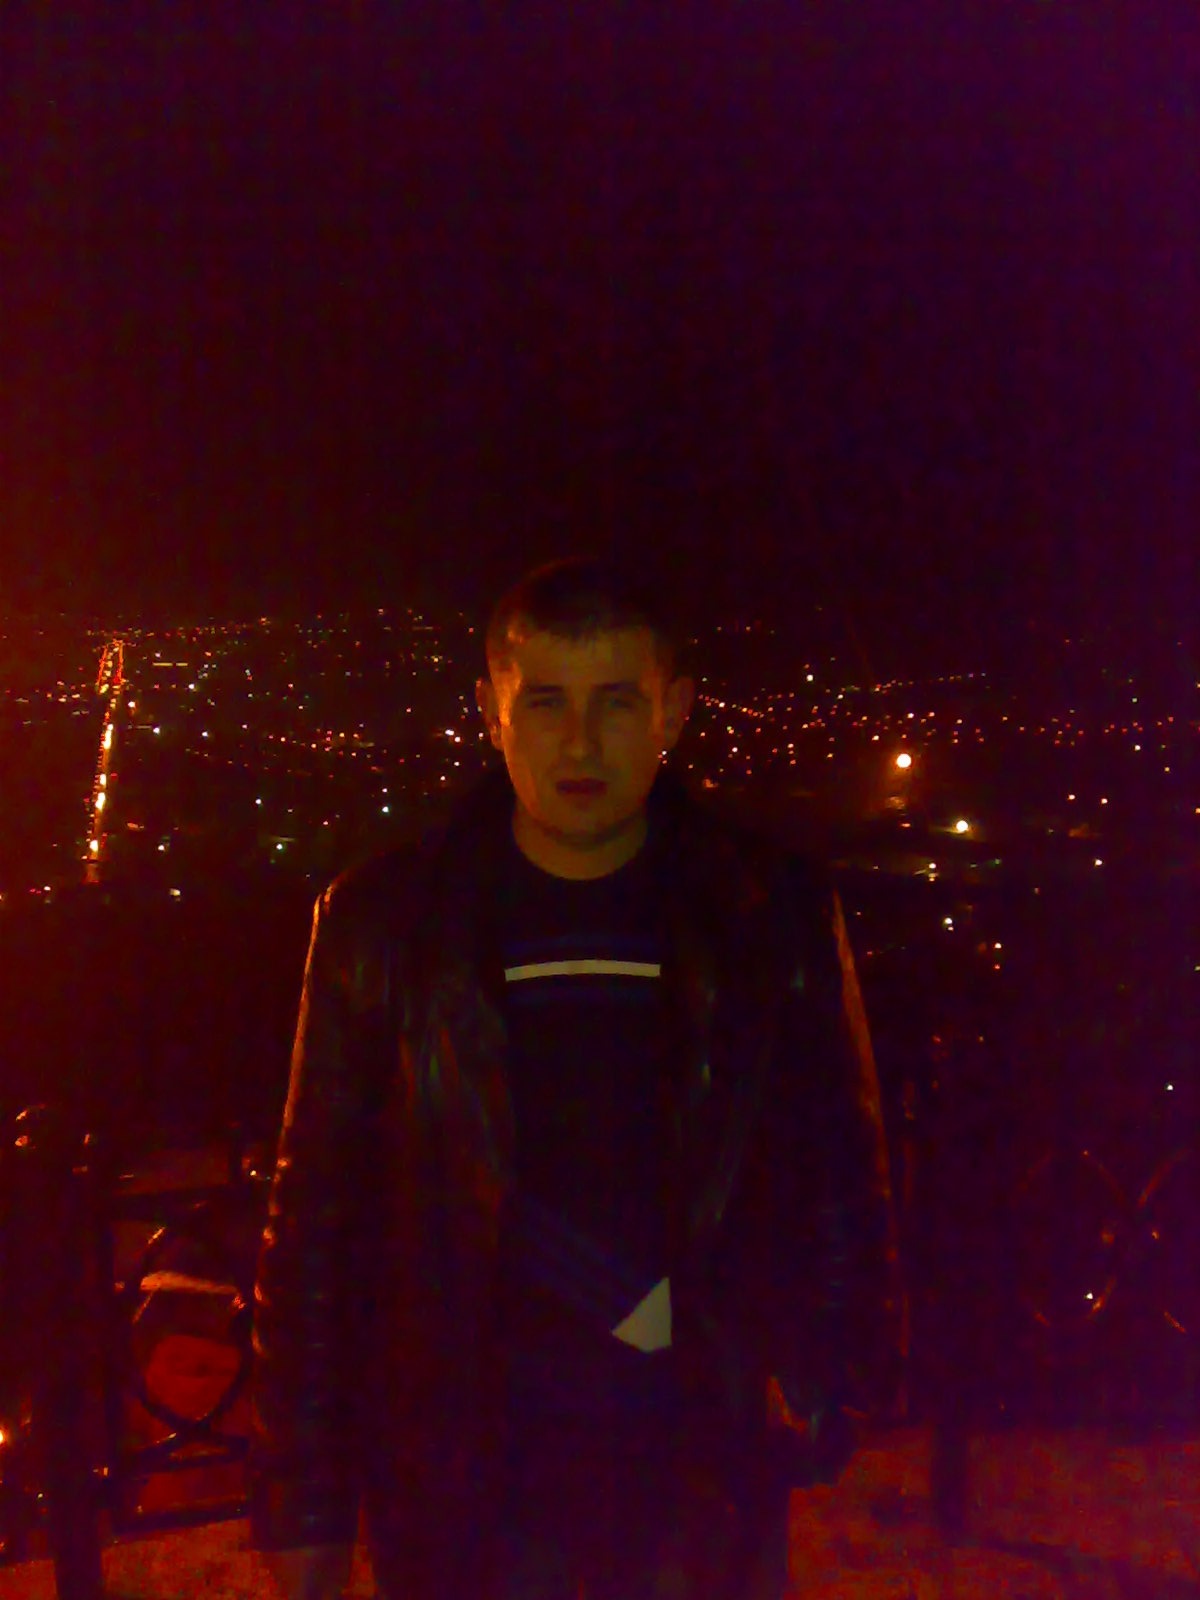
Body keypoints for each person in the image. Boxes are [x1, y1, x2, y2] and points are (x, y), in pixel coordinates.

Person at [250, 556, 900, 1599]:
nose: (582, 742)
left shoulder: (767, 912)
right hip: (468, 1464)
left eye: (616, 703)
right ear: (492, 712)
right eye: (547, 701)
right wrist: (306, 1495)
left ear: (673, 710)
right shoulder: (388, 925)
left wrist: (832, 1378)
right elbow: (318, 1215)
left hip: (694, 1456)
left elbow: (836, 1162)